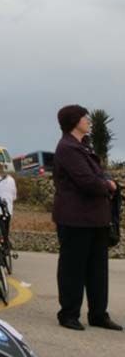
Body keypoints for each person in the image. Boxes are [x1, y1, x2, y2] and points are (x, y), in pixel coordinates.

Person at [52, 104, 122, 331]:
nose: (89, 120)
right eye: (85, 117)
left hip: (95, 218)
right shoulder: (67, 148)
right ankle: (69, 313)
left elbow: (97, 174)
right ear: (74, 121)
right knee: (73, 268)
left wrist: (106, 182)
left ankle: (98, 314)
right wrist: (107, 185)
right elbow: (87, 181)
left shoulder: (83, 147)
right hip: (75, 218)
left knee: (97, 269)